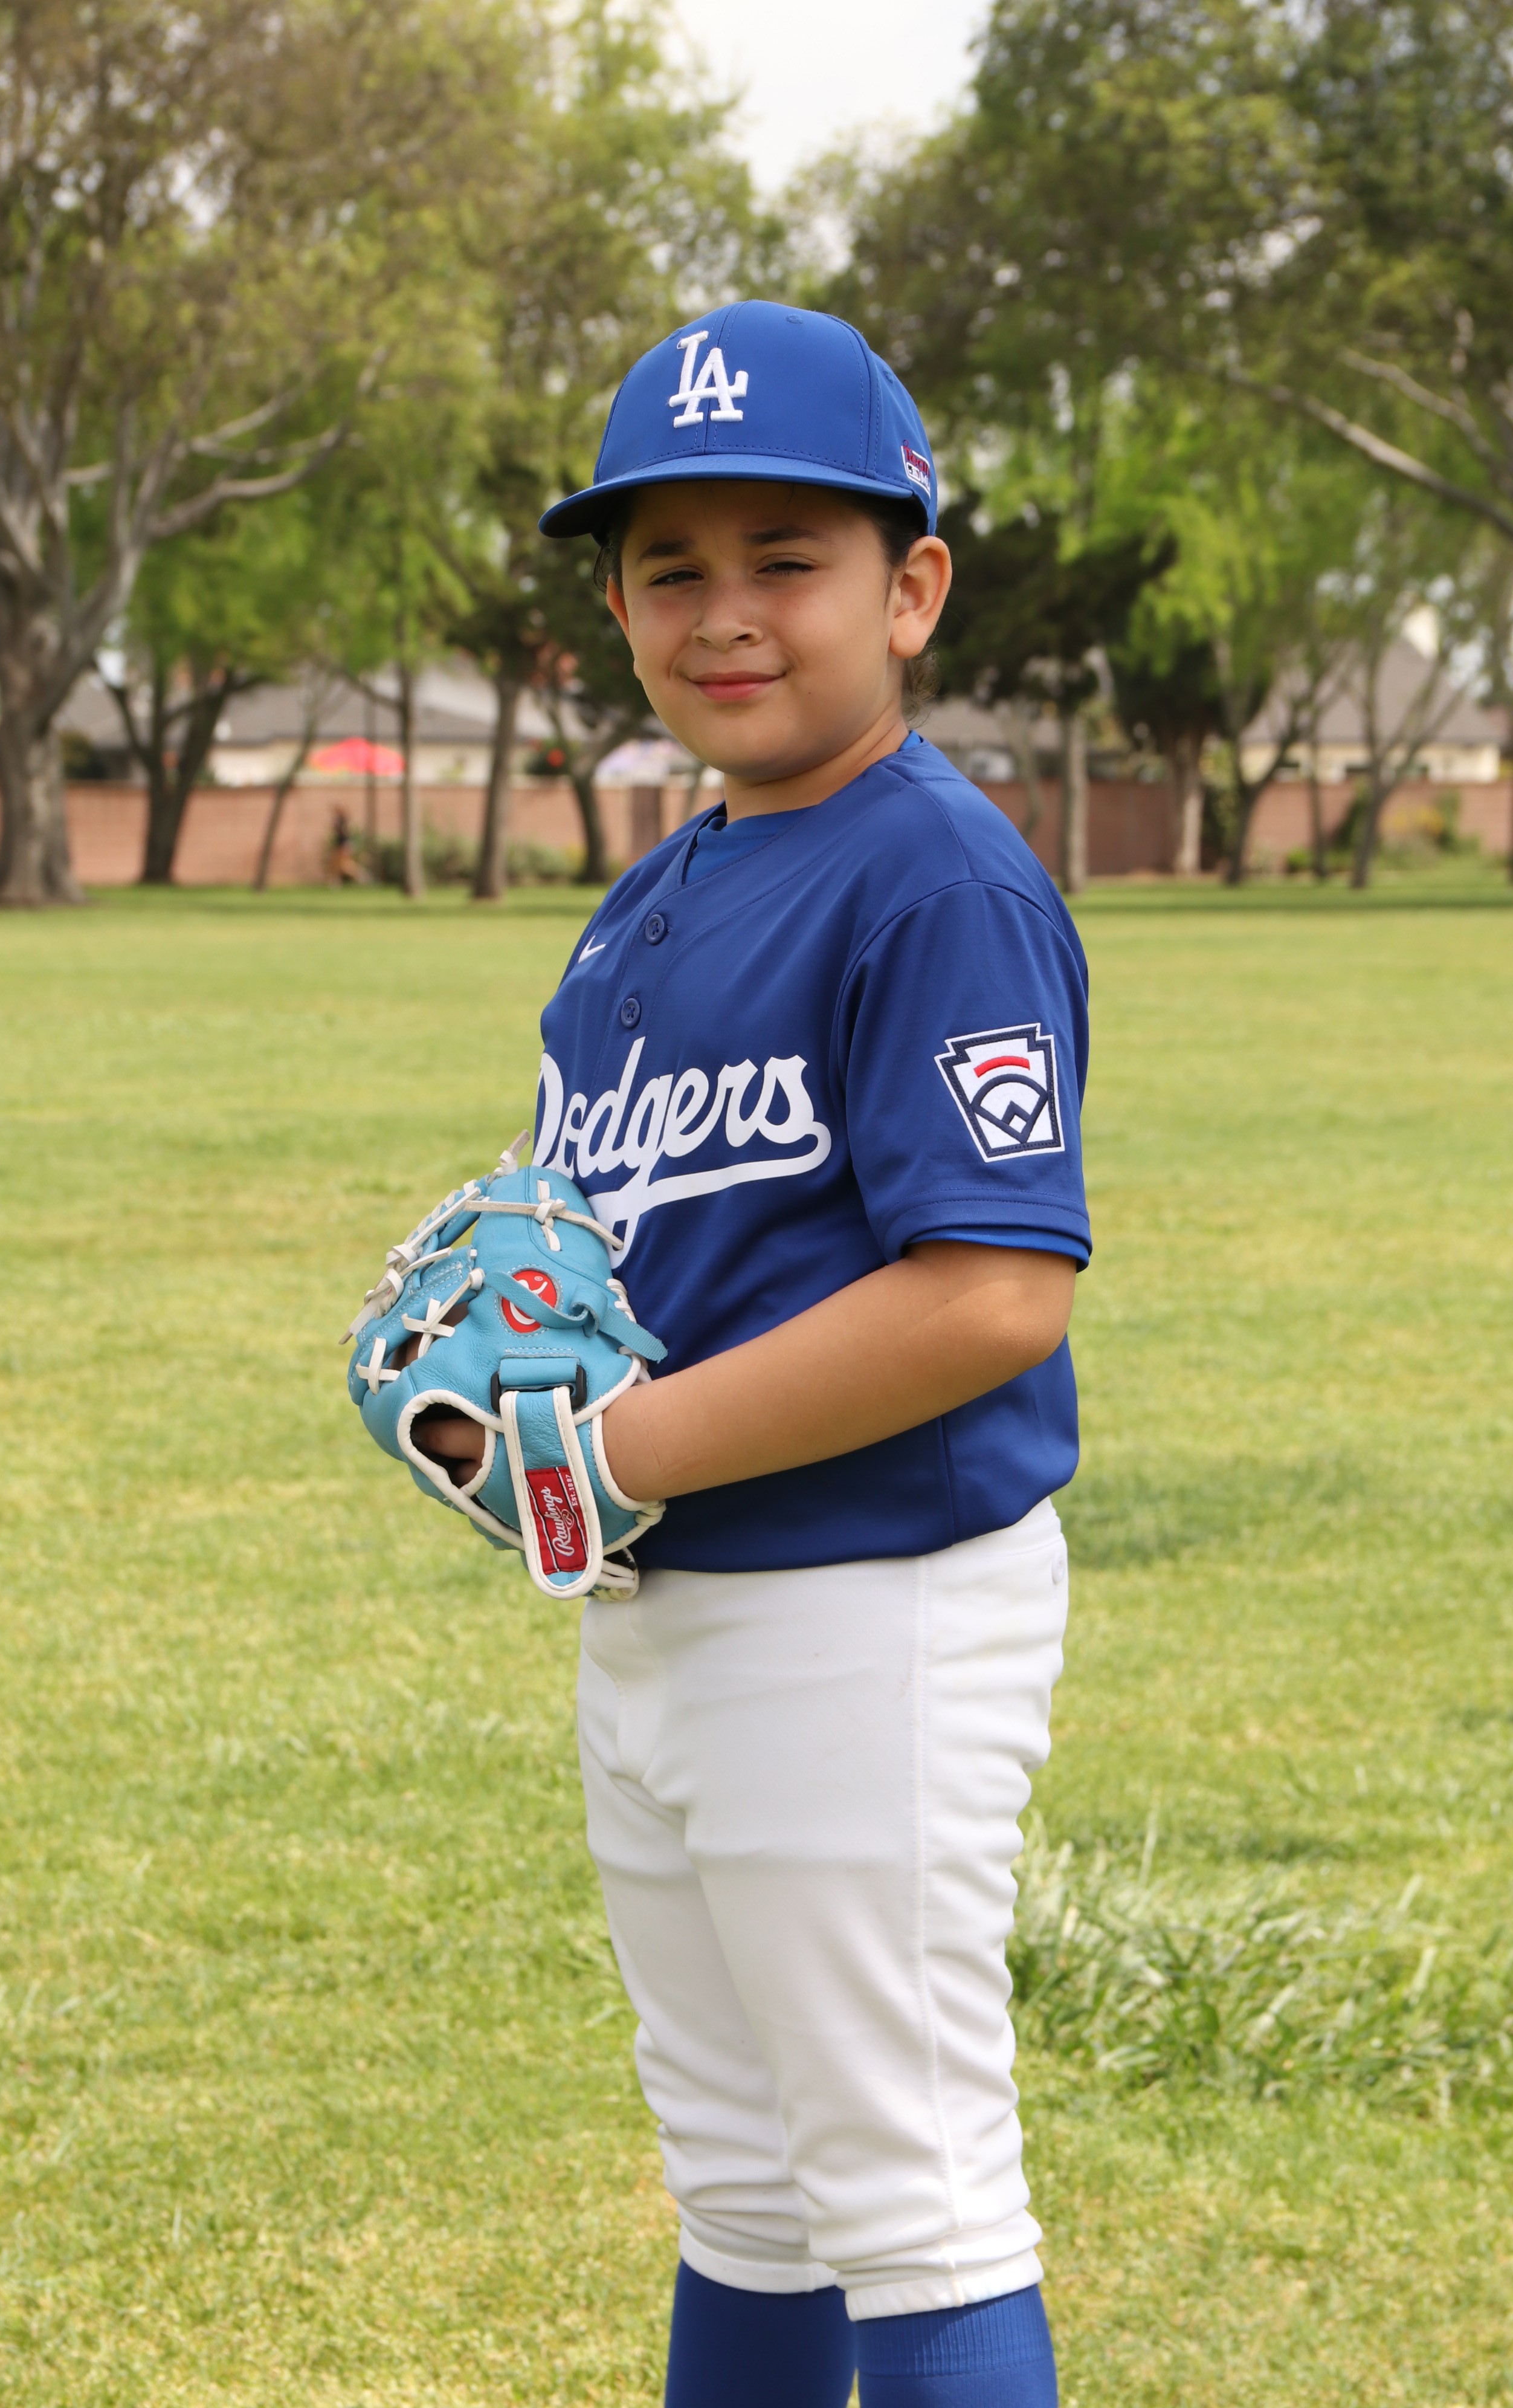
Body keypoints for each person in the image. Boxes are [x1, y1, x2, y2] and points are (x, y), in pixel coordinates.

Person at [409, 301, 1089, 2407]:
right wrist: (507, 1385)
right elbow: (594, 1248)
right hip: (666, 1604)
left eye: (787, 558)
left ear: (911, 589)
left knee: (908, 2192)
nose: (724, 613)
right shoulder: (655, 892)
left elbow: (992, 1288)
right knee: (745, 2192)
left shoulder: (936, 880)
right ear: (615, 607)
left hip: (867, 1607)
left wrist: (616, 1451)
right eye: (669, 566)